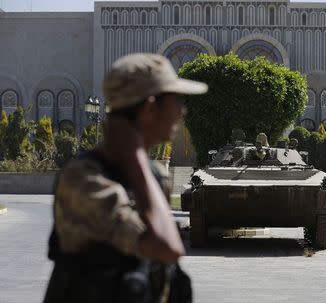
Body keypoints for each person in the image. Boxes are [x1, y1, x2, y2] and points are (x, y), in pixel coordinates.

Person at [43, 53, 208, 303]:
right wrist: (136, 156)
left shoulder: (152, 174)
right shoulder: (85, 179)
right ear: (150, 108)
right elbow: (166, 247)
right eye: (176, 100)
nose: (181, 111)